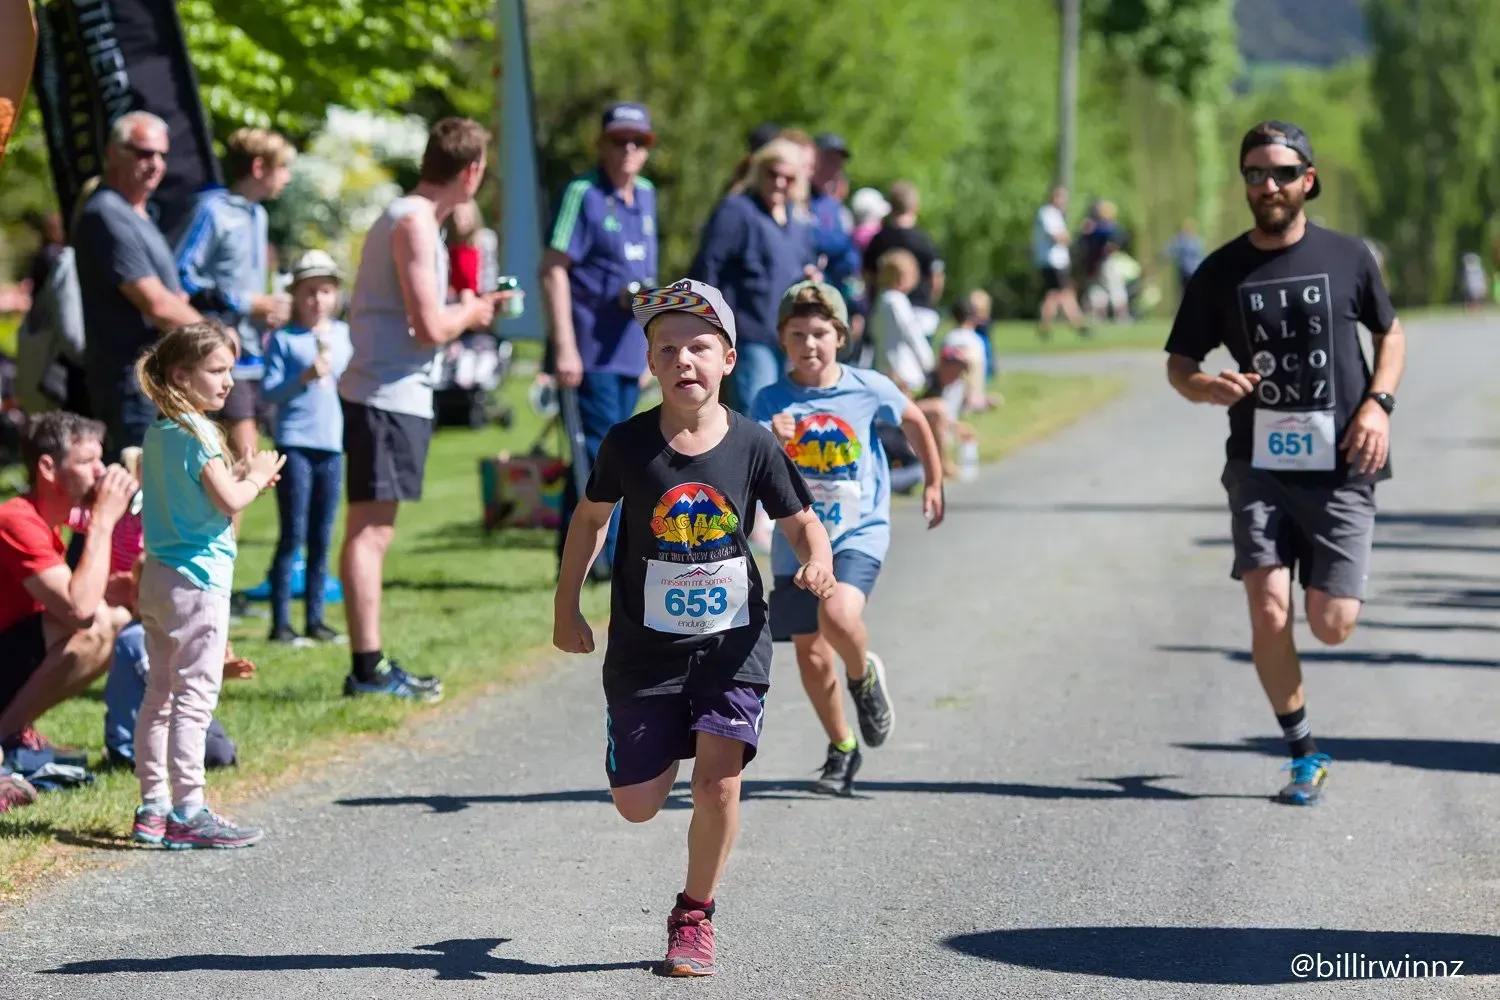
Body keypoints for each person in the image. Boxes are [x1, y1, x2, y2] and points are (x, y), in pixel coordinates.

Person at [552, 279, 835, 977]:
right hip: (644, 649)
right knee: (637, 805)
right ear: (650, 363)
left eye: (700, 347)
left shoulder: (754, 444)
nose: (684, 359)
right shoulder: (626, 443)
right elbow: (590, 520)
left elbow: (802, 521)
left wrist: (818, 560)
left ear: (729, 359)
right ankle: (658, 737)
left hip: (732, 643)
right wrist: (566, 607)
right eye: (668, 348)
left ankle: (694, 915)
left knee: (717, 787)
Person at [1165, 120, 1406, 806]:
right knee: (1269, 609)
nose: (1267, 185)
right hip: (1258, 465)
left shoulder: (1347, 256)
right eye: (1254, 174)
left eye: (1280, 173)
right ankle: (1303, 753)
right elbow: (1180, 365)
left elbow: (1390, 334)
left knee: (1331, 623)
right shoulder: (1219, 271)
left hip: (1343, 462)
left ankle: (1330, 576)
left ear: (1308, 179)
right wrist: (1205, 386)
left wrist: (1378, 405)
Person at [338, 117, 513, 701]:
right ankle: (367, 669)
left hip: (392, 393)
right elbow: (429, 325)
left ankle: (370, 664)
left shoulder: (417, 220)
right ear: (472, 172)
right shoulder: (414, 221)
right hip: (385, 394)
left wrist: (468, 305)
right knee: (371, 534)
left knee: (373, 531)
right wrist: (476, 310)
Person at [753, 281, 944, 795]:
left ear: (841, 336)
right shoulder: (770, 400)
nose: (809, 344)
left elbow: (915, 419)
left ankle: (862, 677)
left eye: (820, 333)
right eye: (797, 334)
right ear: (782, 339)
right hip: (796, 542)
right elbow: (752, 468)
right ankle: (842, 746)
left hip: (858, 531)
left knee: (837, 615)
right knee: (812, 656)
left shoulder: (868, 387)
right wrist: (771, 439)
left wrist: (933, 480)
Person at [130, 321, 285, 849]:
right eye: (217, 371)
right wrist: (255, 475)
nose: (228, 382)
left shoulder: (160, 430)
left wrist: (238, 475)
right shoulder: (198, 431)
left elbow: (195, 494)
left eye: (230, 371)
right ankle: (189, 812)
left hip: (158, 579)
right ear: (181, 375)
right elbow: (230, 501)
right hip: (198, 583)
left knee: (158, 696)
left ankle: (153, 807)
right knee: (194, 700)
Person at [542, 102, 659, 579]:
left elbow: (647, 276)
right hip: (590, 348)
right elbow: (553, 268)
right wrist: (564, 347)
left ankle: (581, 556)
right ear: (601, 145)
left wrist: (654, 347)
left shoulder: (646, 194)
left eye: (637, 141)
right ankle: (604, 560)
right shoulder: (583, 193)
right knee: (601, 456)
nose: (627, 149)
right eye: (618, 140)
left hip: (630, 350)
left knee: (612, 455)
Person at [0, 413, 137, 751]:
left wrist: (110, 591)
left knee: (117, 615)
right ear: (48, 468)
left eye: (100, 459)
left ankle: (13, 731)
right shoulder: (16, 520)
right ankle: (6, 735)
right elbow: (79, 611)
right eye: (87, 461)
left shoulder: (48, 520)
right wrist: (103, 520)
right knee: (97, 625)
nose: (100, 472)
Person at [72, 111, 202, 461]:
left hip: (154, 382)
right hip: (130, 387)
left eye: (161, 154)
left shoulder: (140, 213)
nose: (155, 163)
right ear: (113, 153)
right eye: (144, 153)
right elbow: (156, 304)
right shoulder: (107, 213)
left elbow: (170, 298)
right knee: (137, 489)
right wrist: (214, 337)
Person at [174, 127, 296, 465]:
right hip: (225, 354)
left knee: (246, 463)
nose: (287, 177)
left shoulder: (259, 215)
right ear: (258, 167)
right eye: (282, 167)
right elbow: (182, 273)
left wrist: (270, 308)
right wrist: (243, 303)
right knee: (246, 462)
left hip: (256, 353)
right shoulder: (213, 211)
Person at [260, 250, 352, 644]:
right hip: (295, 442)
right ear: (295, 295)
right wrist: (303, 377)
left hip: (331, 444)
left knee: (322, 534)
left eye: (325, 291)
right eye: (309, 291)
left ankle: (316, 619)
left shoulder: (345, 336)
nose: (317, 300)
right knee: (292, 533)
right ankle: (281, 623)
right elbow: (269, 391)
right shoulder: (284, 340)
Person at [690, 138, 817, 414]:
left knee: (782, 416)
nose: (779, 183)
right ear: (759, 172)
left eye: (788, 178)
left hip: (787, 335)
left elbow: (803, 263)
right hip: (748, 332)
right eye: (773, 174)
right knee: (755, 414)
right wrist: (708, 325)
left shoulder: (798, 219)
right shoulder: (737, 210)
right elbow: (707, 268)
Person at [861, 181, 944, 336]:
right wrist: (929, 302)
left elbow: (867, 276)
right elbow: (936, 279)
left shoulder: (879, 239)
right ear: (915, 207)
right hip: (920, 311)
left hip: (885, 309)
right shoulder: (925, 240)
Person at [1031, 186, 1087, 341]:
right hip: (1053, 261)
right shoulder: (1048, 213)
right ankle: (1076, 323)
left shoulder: (1054, 214)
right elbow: (1057, 237)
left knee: (1058, 293)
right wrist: (1075, 235)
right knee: (1060, 293)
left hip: (1057, 261)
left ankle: (1056, 325)